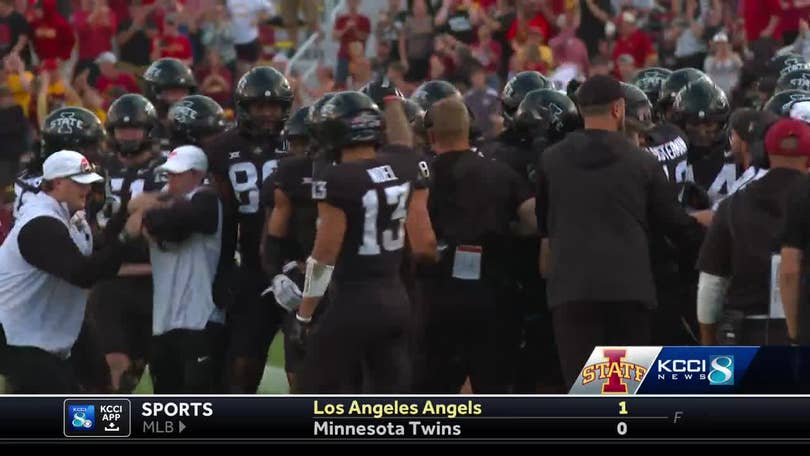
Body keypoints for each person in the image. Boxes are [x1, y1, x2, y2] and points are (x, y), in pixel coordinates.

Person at [535, 75, 704, 388]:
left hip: (572, 292)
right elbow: (675, 226)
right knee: (623, 393)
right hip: (629, 292)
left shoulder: (551, 160)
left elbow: (544, 223)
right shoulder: (641, 162)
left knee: (585, 392)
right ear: (618, 109)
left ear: (581, 110)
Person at [291, 91, 436, 393]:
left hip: (355, 302)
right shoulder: (403, 165)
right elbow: (401, 143)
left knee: (311, 394)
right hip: (397, 301)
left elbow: (325, 253)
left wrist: (305, 313)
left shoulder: (338, 178)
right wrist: (392, 100)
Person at [414, 95, 535, 394]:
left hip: (435, 297)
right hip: (493, 297)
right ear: (468, 130)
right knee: (493, 391)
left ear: (431, 135)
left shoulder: (421, 178)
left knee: (429, 394)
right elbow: (533, 221)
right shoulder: (500, 173)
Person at [0, 150, 142, 393]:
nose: (87, 190)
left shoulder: (67, 215)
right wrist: (127, 236)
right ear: (57, 183)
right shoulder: (40, 223)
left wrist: (126, 214)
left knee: (100, 388)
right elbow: (83, 274)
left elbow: (99, 249)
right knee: (65, 405)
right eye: (79, 183)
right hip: (19, 337)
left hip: (52, 329)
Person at [206, 66, 292, 393]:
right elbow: (225, 216)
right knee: (242, 364)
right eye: (260, 106)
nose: (268, 114)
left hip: (296, 264)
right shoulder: (221, 148)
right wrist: (225, 268)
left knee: (304, 367)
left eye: (274, 106)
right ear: (244, 107)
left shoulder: (300, 143)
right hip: (253, 268)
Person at [699, 118, 808, 346]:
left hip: (744, 335)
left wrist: (707, 342)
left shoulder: (732, 205)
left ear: (765, 153)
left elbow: (711, 283)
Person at [133, 145, 227, 393]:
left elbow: (178, 225)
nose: (171, 180)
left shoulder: (206, 199)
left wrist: (148, 215)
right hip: (164, 320)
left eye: (178, 174)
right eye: (169, 174)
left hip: (201, 317)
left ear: (196, 175)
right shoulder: (163, 198)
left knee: (198, 394)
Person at [86, 94, 162, 393]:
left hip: (156, 283)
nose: (128, 135)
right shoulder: (96, 172)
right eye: (121, 129)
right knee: (112, 366)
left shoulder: (165, 172)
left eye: (135, 128)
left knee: (139, 370)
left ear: (149, 130)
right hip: (111, 284)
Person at [142, 58, 198, 155]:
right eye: (173, 91)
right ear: (155, 92)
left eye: (184, 91)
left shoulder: (196, 125)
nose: (180, 98)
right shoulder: (142, 128)